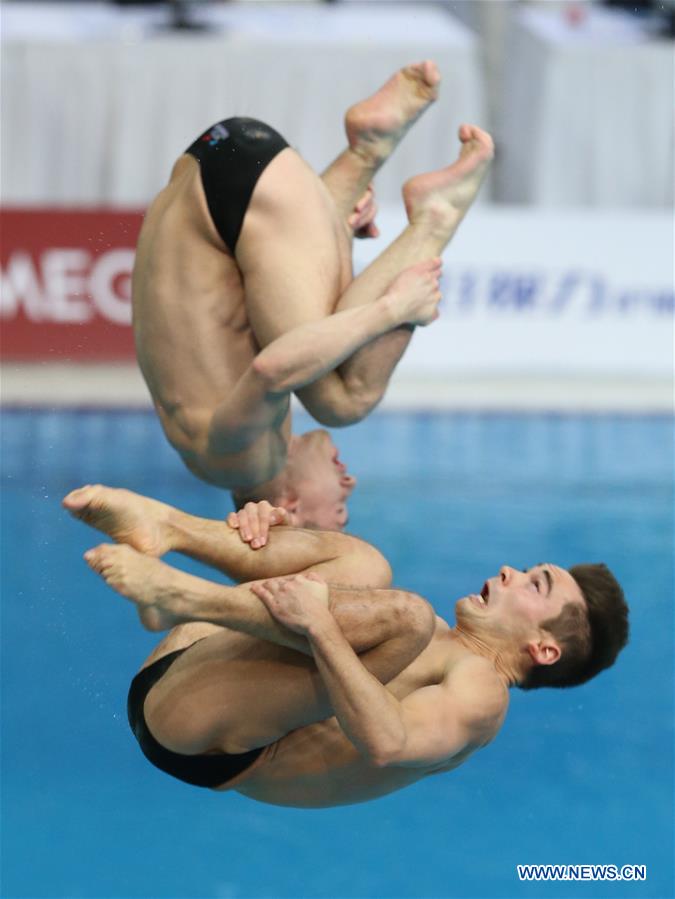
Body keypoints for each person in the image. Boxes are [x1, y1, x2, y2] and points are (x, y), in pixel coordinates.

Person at [63, 484, 629, 808]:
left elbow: (386, 742)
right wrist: (278, 530)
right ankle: (171, 530)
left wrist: (321, 626)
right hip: (192, 667)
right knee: (368, 567)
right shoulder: (434, 635)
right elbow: (305, 617)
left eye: (535, 584)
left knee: (402, 615)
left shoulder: (483, 695)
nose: (511, 570)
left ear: (543, 649)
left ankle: (181, 597)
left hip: (202, 740)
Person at [132, 60, 494, 528]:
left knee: (344, 402)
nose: (351, 484)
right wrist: (327, 232)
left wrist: (395, 308)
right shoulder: (220, 433)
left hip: (238, 196)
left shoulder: (240, 462)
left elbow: (271, 368)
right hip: (222, 162)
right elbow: (269, 293)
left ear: (291, 506)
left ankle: (433, 216)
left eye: (340, 509)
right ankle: (365, 150)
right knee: (323, 357)